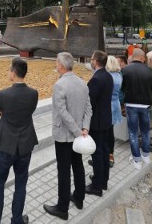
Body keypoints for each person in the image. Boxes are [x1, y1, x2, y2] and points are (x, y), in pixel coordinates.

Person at [0, 58, 38, 224]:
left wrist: (3, 112)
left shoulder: (4, 94)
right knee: (21, 184)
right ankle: (17, 220)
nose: (8, 73)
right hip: (25, 144)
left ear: (13, 73)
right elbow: (30, 110)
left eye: (9, 70)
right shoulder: (33, 93)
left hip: (6, 144)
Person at [43, 52, 92, 221]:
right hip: (78, 134)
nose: (56, 65)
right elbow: (88, 109)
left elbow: (62, 112)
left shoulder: (60, 85)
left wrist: (78, 130)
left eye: (57, 63)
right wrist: (84, 128)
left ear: (62, 66)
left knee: (64, 170)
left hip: (65, 135)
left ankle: (62, 208)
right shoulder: (82, 83)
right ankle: (79, 198)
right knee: (78, 165)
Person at [121, 49, 152, 170]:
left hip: (131, 104)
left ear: (132, 57)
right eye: (144, 57)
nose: (145, 59)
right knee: (145, 131)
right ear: (141, 57)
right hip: (146, 105)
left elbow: (122, 87)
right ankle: (146, 156)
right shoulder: (150, 70)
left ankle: (137, 160)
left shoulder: (125, 70)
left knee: (133, 132)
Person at [86, 50, 113, 197]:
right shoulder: (108, 76)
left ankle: (97, 186)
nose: (90, 61)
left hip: (97, 121)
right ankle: (103, 179)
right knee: (104, 151)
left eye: (91, 59)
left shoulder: (96, 79)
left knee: (97, 153)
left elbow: (90, 102)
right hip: (106, 119)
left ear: (96, 61)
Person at [106, 55, 123, 167]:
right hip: (115, 104)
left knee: (105, 133)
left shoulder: (108, 76)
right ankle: (110, 155)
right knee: (110, 132)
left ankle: (107, 156)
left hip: (107, 105)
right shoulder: (119, 75)